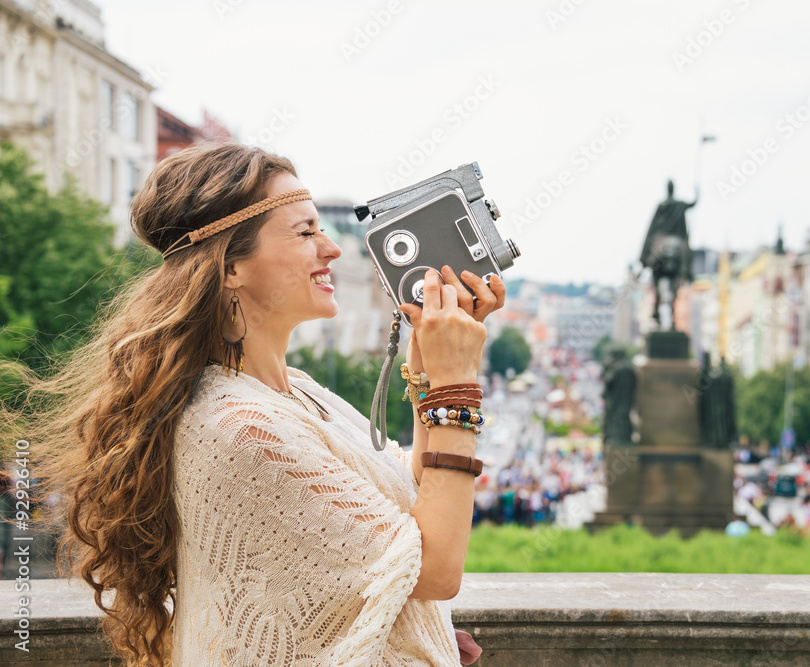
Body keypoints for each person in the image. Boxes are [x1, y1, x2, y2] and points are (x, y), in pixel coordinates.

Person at [5, 143, 504, 666]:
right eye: (306, 232)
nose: (332, 249)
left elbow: (413, 495)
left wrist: (427, 366)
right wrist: (455, 389)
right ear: (230, 268)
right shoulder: (241, 427)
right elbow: (435, 569)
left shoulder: (293, 391)